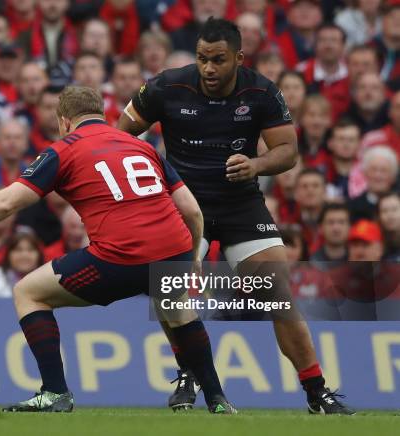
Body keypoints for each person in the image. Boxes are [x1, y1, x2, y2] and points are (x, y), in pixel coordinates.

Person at [0, 85, 235, 414]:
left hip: (122, 255)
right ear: (103, 115)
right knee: (176, 307)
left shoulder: (64, 149)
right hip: (174, 248)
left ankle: (54, 392)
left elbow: (7, 202)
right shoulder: (141, 145)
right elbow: (191, 210)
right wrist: (193, 258)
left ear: (64, 121)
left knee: (28, 292)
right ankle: (217, 399)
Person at [118, 17, 354, 414]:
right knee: (170, 292)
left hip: (240, 205)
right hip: (185, 204)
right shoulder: (166, 85)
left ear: (238, 58)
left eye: (218, 60)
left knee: (278, 295)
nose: (209, 68)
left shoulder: (261, 91)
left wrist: (257, 165)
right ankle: (189, 373)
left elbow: (287, 151)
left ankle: (316, 391)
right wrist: (155, 177)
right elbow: (120, 138)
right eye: (202, 58)